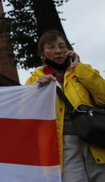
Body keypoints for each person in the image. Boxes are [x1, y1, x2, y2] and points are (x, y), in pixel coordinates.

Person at [26, 30, 105, 181]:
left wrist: (80, 67)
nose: (58, 51)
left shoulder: (81, 71)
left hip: (94, 137)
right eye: (51, 47)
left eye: (62, 46)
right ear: (42, 53)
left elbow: (103, 98)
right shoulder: (35, 79)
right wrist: (36, 88)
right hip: (63, 143)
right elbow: (25, 113)